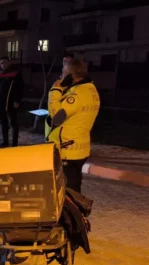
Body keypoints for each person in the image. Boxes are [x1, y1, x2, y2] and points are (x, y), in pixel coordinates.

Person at [46, 58, 100, 193]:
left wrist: (55, 91)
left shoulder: (76, 95)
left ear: (71, 76)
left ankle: (74, 213)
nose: (61, 76)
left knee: (69, 191)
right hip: (78, 147)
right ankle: (77, 211)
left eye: (63, 72)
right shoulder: (89, 89)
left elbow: (57, 117)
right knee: (74, 186)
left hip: (68, 150)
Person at [0, 56, 24, 148]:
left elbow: (20, 88)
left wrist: (17, 100)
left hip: (11, 103)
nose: (3, 64)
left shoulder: (15, 74)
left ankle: (14, 143)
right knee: (3, 123)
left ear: (9, 63)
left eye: (5, 62)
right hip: (0, 103)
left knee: (13, 123)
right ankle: (5, 141)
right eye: (1, 63)